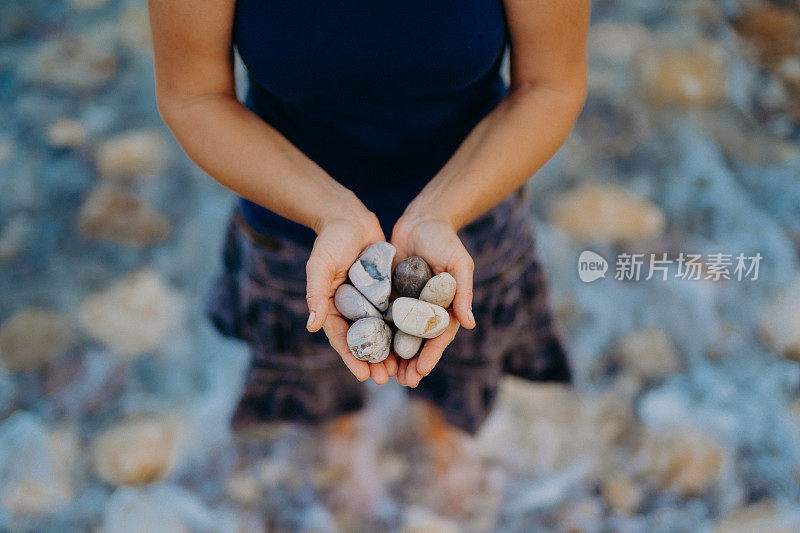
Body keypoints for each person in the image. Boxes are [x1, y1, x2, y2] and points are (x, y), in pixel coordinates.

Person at [147, 0, 588, 451]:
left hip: (470, 217)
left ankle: (443, 442)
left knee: (458, 381)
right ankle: (344, 442)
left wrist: (442, 210)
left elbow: (549, 86)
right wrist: (329, 210)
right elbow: (193, 98)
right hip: (292, 228)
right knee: (319, 392)